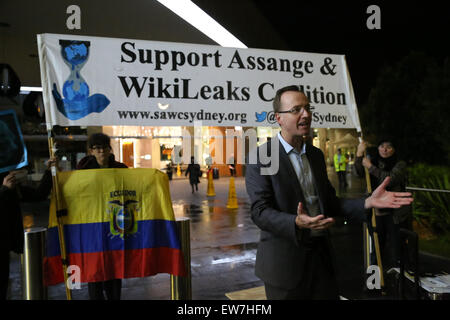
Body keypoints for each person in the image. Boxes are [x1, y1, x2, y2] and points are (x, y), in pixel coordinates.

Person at [245, 85, 413, 300]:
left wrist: (367, 202)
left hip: (322, 261)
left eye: (307, 108)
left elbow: (331, 203)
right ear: (279, 118)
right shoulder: (262, 157)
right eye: (296, 109)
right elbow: (260, 212)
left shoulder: (316, 156)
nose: (306, 114)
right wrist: (295, 222)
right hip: (284, 267)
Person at [76, 132, 127, 300]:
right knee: (95, 270)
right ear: (91, 151)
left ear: (109, 149)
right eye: (96, 148)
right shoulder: (82, 170)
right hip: (91, 226)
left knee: (114, 268)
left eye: (104, 147)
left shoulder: (120, 169)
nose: (101, 151)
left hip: (114, 225)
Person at [0, 159, 55, 300]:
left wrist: (49, 171)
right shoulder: (6, 188)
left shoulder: (13, 188)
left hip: (5, 243)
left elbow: (38, 194)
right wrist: (4, 189)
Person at [355, 139, 412, 268]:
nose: (385, 149)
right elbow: (358, 172)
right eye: (382, 146)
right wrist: (359, 155)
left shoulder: (400, 164)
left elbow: (390, 179)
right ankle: (374, 282)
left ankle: (400, 278)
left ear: (394, 149)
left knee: (397, 248)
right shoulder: (373, 160)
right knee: (376, 249)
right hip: (376, 214)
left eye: (389, 147)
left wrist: (370, 167)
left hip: (394, 215)